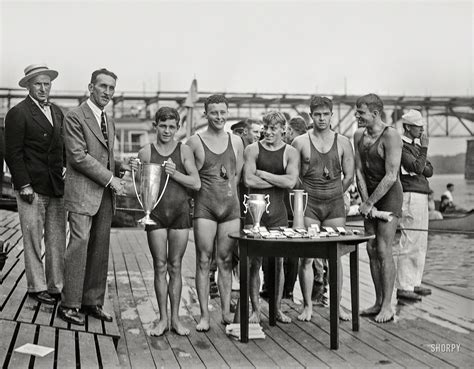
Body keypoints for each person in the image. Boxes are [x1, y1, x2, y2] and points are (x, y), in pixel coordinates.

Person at [58, 68, 130, 325]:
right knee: (78, 247)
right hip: (82, 195)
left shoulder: (108, 120)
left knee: (99, 250)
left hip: (103, 197)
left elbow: (102, 156)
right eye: (103, 87)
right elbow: (78, 157)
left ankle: (92, 302)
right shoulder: (75, 116)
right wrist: (112, 179)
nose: (108, 93)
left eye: (112, 88)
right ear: (90, 88)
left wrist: (120, 165)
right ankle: (69, 304)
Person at [4, 64, 66, 305]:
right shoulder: (18, 113)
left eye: (46, 83)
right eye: (38, 84)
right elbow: (13, 153)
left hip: (56, 186)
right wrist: (23, 185)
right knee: (32, 238)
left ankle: (55, 286)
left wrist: (66, 167)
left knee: (56, 239)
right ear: (28, 85)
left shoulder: (58, 112)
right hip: (32, 188)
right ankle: (36, 287)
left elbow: (62, 146)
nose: (43, 88)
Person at [136, 107, 200, 336]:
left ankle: (176, 319)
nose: (167, 130)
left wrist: (175, 174)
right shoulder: (146, 152)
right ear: (155, 126)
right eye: (163, 126)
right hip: (156, 214)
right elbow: (138, 188)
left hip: (180, 214)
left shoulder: (183, 151)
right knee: (159, 266)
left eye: (172, 126)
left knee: (176, 266)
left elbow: (196, 183)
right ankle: (162, 319)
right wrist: (132, 172)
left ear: (178, 128)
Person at [292, 96, 355, 322]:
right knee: (307, 258)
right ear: (311, 116)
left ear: (331, 115)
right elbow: (293, 175)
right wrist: (308, 194)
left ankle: (336, 307)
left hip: (334, 205)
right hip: (310, 206)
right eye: (317, 115)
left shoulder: (344, 142)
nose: (321, 119)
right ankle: (308, 305)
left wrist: (336, 192)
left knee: (334, 258)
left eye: (325, 114)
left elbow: (349, 175)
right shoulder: (300, 142)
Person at [187, 94, 244, 331]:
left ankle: (226, 312)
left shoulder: (237, 141)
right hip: (205, 208)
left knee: (226, 261)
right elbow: (190, 177)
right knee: (203, 260)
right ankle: (203, 315)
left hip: (230, 208)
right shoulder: (194, 141)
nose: (219, 117)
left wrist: (229, 196)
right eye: (214, 112)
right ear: (206, 113)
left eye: (223, 112)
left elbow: (236, 175)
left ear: (227, 112)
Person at [243, 111, 299, 323]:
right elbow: (248, 179)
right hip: (254, 213)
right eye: (265, 127)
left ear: (283, 130)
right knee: (253, 263)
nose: (267, 132)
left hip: (278, 213)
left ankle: (276, 309)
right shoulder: (252, 149)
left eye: (273, 128)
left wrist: (264, 174)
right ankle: (256, 311)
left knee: (278, 263)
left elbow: (291, 182)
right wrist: (279, 180)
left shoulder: (290, 152)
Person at [354, 93, 403, 323]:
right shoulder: (358, 135)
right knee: (371, 249)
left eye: (361, 112)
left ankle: (387, 305)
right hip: (369, 197)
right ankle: (376, 301)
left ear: (375, 113)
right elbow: (359, 172)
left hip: (389, 196)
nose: (357, 115)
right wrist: (365, 202)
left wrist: (371, 202)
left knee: (384, 249)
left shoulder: (391, 136)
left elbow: (392, 175)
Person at [394, 109, 433, 301]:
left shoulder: (415, 148)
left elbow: (429, 170)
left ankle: (414, 282)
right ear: (408, 127)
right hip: (410, 195)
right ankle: (404, 285)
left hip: (421, 195)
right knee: (410, 240)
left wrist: (421, 163)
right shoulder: (402, 146)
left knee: (420, 241)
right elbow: (418, 168)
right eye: (418, 126)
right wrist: (424, 151)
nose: (422, 129)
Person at [282, 115, 307, 299]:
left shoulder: (290, 148)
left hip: (291, 200)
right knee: (297, 250)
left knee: (289, 250)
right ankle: (290, 289)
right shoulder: (308, 145)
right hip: (303, 201)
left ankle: (285, 289)